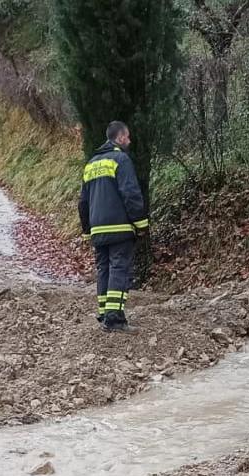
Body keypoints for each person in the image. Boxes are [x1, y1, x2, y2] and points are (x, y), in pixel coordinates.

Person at [78, 121, 149, 332]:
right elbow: (131, 193)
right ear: (119, 138)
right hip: (119, 227)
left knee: (103, 270)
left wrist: (87, 231)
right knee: (120, 268)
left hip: (97, 229)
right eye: (127, 137)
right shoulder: (121, 159)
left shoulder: (91, 164)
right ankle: (114, 319)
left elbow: (83, 202)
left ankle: (104, 313)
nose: (129, 141)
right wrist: (141, 224)